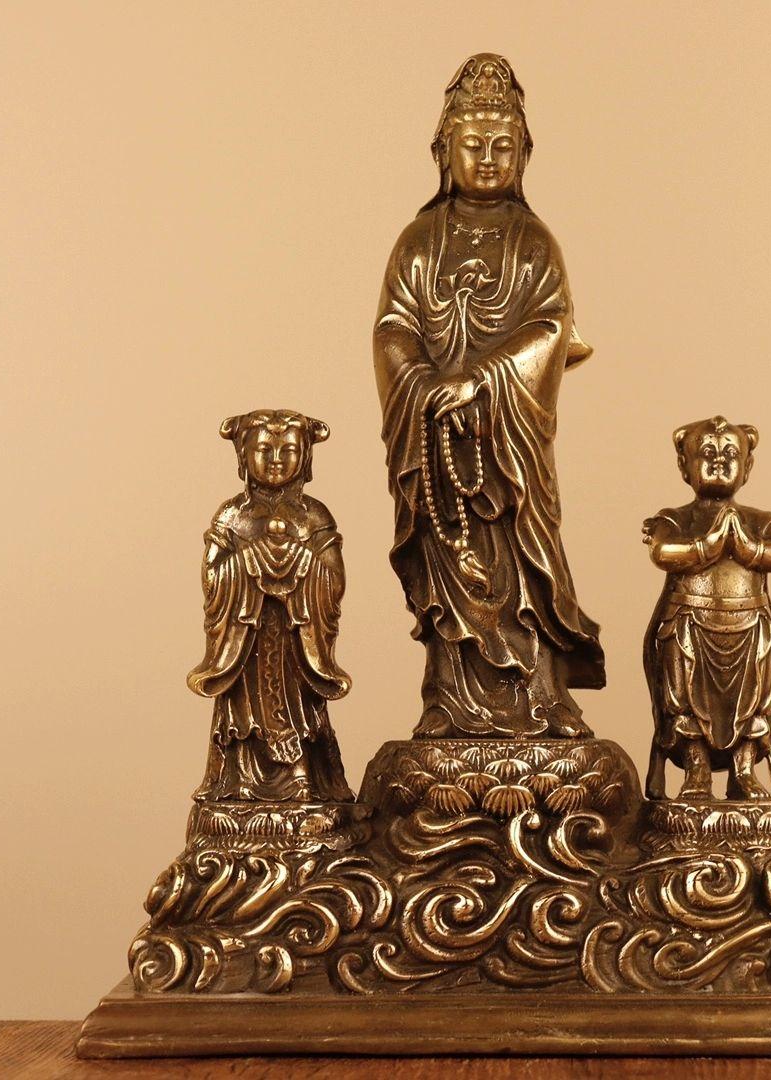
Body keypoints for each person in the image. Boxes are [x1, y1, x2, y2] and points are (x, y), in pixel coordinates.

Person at [373, 53, 605, 738]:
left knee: (520, 566)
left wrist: (482, 378)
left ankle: (543, 698)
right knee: (451, 567)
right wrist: (423, 384)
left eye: (503, 146)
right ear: (444, 152)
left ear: (523, 155)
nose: (486, 159)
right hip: (440, 444)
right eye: (473, 144)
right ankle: (448, 701)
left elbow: (552, 327)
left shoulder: (534, 242)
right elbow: (393, 329)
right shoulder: (419, 241)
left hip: (509, 448)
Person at [188, 409, 353, 802]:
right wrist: (247, 563)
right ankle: (237, 781)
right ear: (244, 456)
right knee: (245, 710)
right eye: (264, 450)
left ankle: (303, 777)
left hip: (296, 640)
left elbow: (334, 579)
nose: (277, 459)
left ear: (306, 457)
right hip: (248, 641)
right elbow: (212, 577)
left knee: (300, 707)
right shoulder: (233, 516)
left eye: (289, 450)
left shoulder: (314, 516)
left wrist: (303, 564)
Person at [642, 416, 771, 800]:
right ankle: (696, 769)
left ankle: (744, 771)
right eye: (707, 453)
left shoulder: (760, 521)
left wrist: (747, 547)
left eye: (730, 454)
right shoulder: (675, 518)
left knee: (750, 701)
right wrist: (708, 545)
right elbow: (663, 551)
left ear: (748, 466)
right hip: (688, 624)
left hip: (750, 626)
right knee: (684, 699)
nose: (719, 461)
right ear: (684, 466)